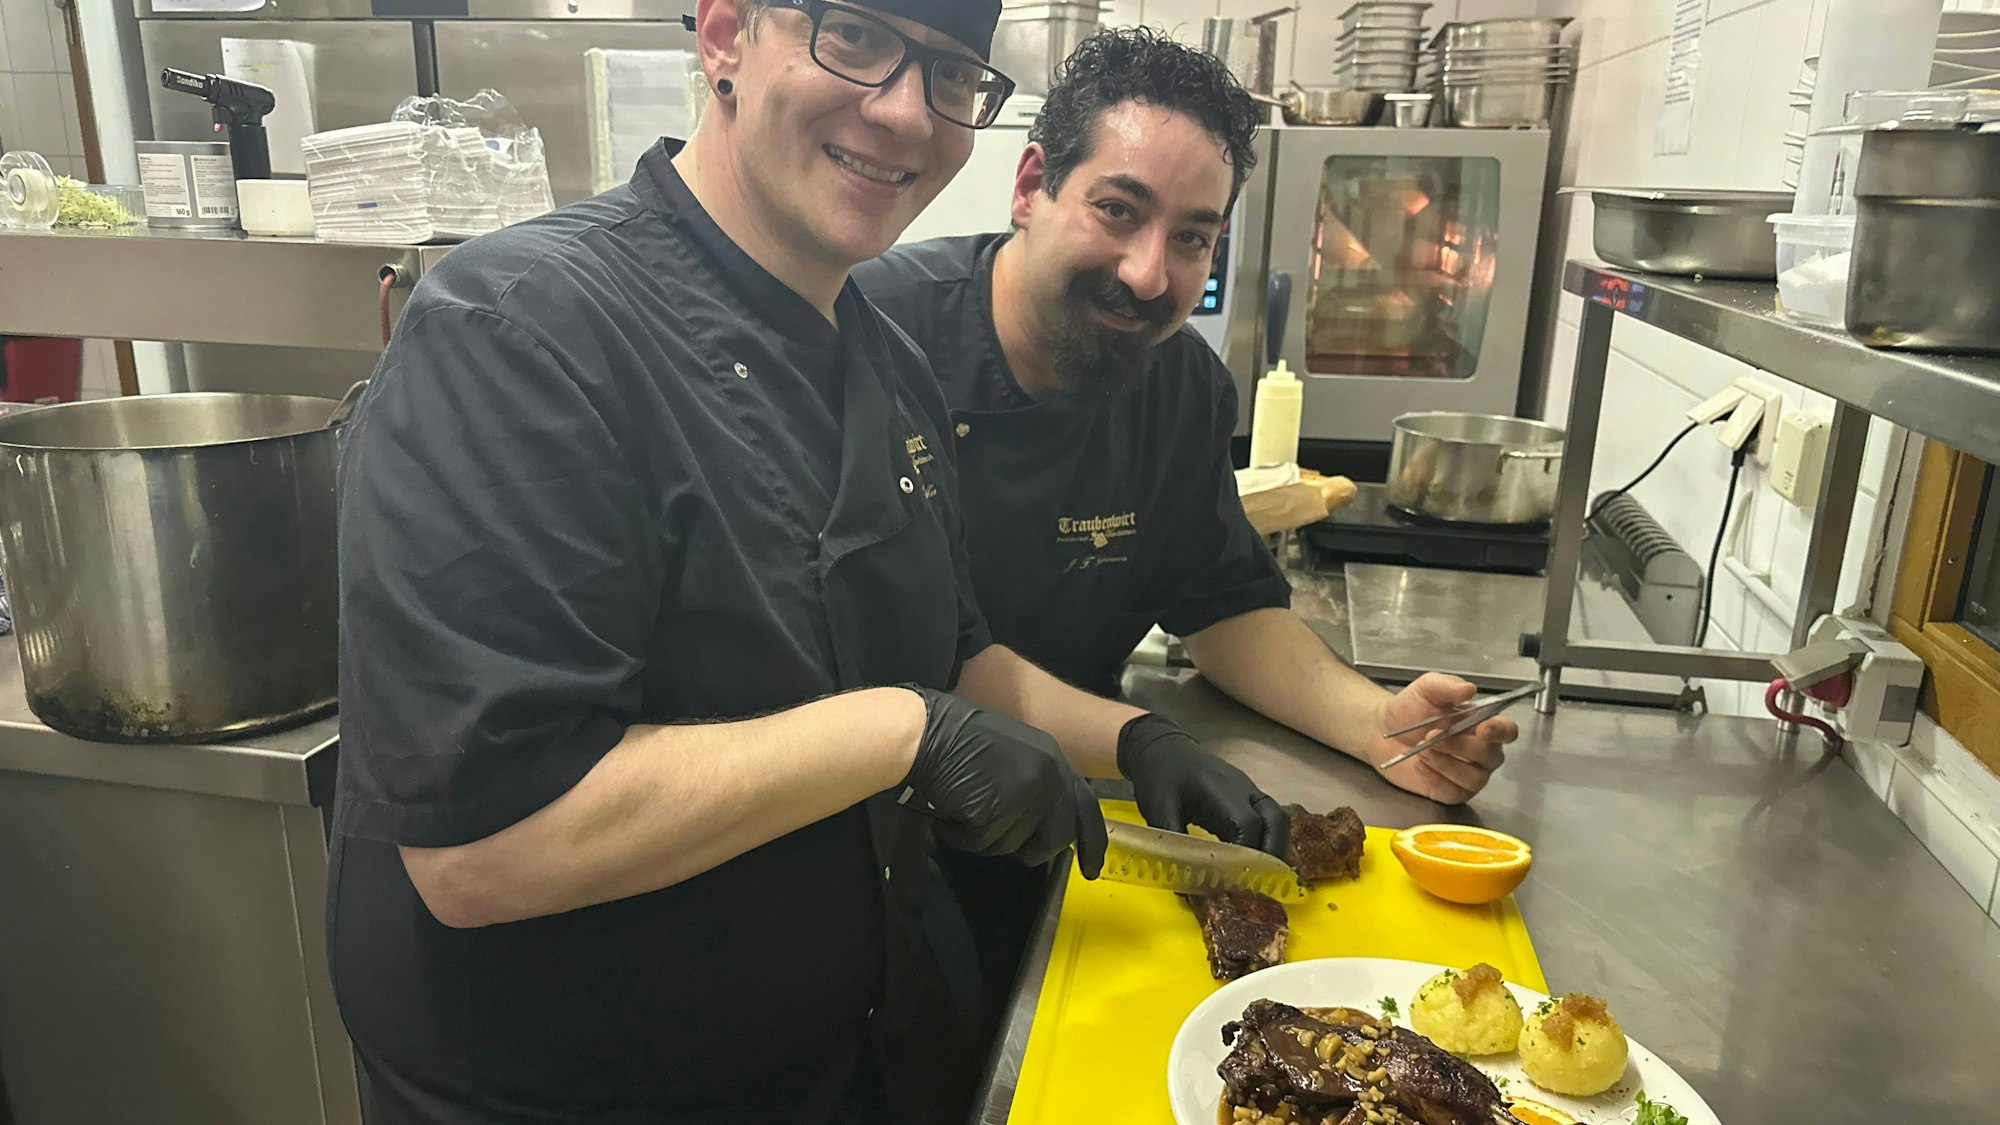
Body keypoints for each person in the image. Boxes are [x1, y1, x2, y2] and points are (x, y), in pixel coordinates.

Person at [329, 3, 1285, 1122]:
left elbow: (947, 645)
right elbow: (480, 849)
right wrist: (902, 734)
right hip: (582, 1083)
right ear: (726, 35)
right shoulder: (522, 331)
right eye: (855, 38)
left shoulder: (882, 357)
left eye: (947, 75)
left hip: (840, 1054)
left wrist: (1133, 739)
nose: (902, 113)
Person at [855, 29, 1519, 807]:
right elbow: (903, 665)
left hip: (1075, 801)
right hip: (885, 817)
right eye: (1117, 210)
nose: (1146, 273)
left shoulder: (1183, 386)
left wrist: (1380, 726)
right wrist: (1137, 740)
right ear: (1032, 187)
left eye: (1192, 237)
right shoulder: (874, 336)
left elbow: (1223, 606)